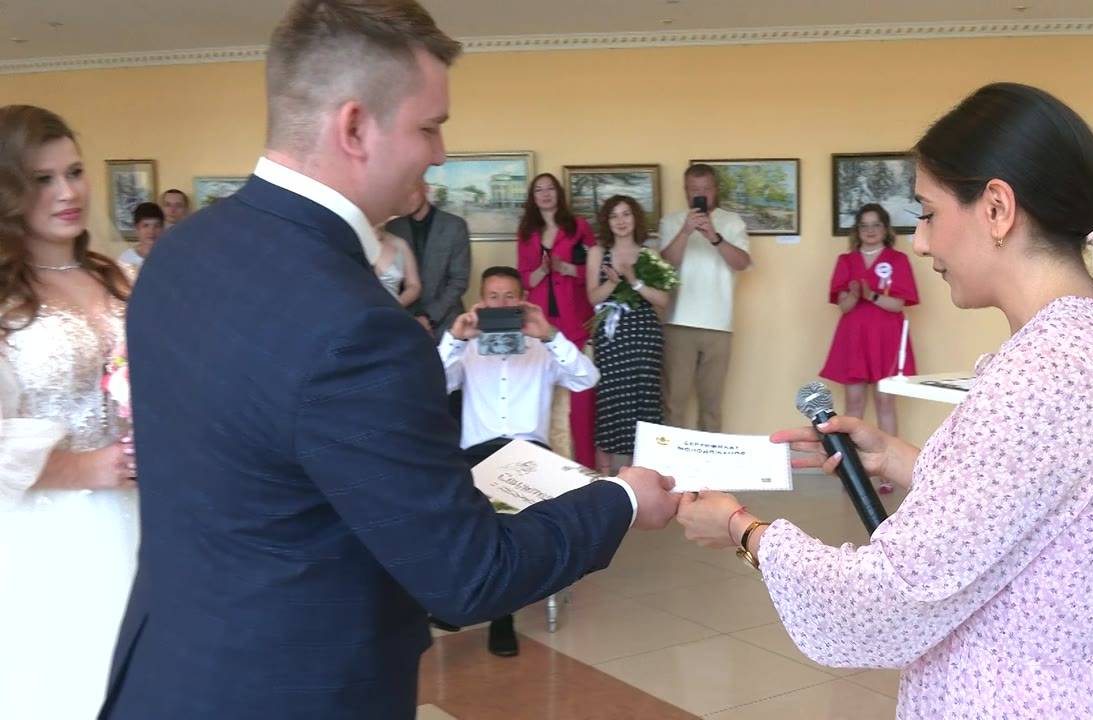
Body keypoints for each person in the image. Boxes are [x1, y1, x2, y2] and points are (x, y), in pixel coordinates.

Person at [101, 3, 680, 719]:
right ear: (353, 127)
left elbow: (274, 460)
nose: (440, 153)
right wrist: (623, 499)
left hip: (163, 672)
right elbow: (471, 576)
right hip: (294, 691)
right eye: (429, 127)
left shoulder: (180, 253)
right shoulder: (360, 325)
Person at [676, 83, 1093, 719]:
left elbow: (890, 596)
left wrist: (742, 529)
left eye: (928, 213)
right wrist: (897, 457)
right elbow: (1034, 501)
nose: (920, 242)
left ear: (996, 208)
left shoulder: (1042, 374)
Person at [0, 104, 138, 720]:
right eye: (43, 179)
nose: (68, 192)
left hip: (142, 510)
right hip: (46, 532)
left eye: (75, 172)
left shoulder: (116, 278)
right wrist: (89, 468)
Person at [439, 266, 601, 657]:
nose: (501, 304)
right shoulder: (468, 348)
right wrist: (454, 339)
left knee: (505, 521)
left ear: (523, 299)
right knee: (448, 510)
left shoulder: (543, 346)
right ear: (480, 301)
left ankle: (501, 616)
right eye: (492, 297)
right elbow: (430, 383)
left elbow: (587, 378)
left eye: (509, 296)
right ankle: (452, 596)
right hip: (476, 451)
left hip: (528, 451)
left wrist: (550, 335)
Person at [819, 202, 918, 493]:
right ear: (857, 230)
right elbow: (844, 307)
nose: (870, 230)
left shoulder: (898, 260)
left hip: (887, 338)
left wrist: (870, 294)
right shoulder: (846, 260)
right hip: (854, 338)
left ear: (885, 229)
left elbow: (897, 304)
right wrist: (853, 295)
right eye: (864, 225)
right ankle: (853, 470)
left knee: (885, 402)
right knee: (854, 405)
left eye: (876, 225)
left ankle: (889, 471)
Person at [658, 163, 751, 432]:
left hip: (719, 324)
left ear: (715, 190)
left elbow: (742, 263)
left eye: (706, 188)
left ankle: (710, 458)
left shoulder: (732, 222)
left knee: (711, 404)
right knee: (673, 402)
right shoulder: (671, 221)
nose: (700, 194)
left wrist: (715, 237)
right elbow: (665, 265)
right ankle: (670, 458)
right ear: (685, 191)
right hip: (678, 321)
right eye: (693, 189)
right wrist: (685, 232)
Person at [516, 172, 597, 467]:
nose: (545, 194)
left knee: (582, 398)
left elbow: (595, 268)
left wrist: (567, 268)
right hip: (540, 323)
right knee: (541, 397)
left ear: (558, 193)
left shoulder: (578, 226)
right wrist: (541, 270)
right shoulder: (526, 231)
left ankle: (586, 466)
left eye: (550, 188)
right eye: (539, 190)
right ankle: (544, 467)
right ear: (533, 197)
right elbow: (523, 277)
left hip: (576, 319)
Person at [586, 195, 668, 474]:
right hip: (612, 338)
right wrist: (612, 283)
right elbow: (592, 297)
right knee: (610, 402)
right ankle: (604, 477)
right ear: (607, 221)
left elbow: (663, 300)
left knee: (644, 404)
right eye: (614, 216)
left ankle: (638, 478)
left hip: (644, 337)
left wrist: (634, 282)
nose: (621, 221)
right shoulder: (598, 252)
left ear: (635, 218)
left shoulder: (650, 254)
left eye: (626, 214)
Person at [386, 178, 471, 336]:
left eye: (412, 191)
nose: (407, 198)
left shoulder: (455, 226)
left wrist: (428, 317)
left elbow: (459, 281)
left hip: (447, 320)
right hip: (404, 319)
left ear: (425, 188)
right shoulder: (393, 228)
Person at [372, 220, 422, 308]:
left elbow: (414, 286)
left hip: (392, 310)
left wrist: (394, 306)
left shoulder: (399, 244)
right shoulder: (351, 243)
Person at [117, 201, 165, 268]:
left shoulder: (170, 257)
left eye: (156, 226)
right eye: (146, 226)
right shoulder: (125, 259)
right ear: (137, 229)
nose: (151, 231)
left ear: (163, 228)